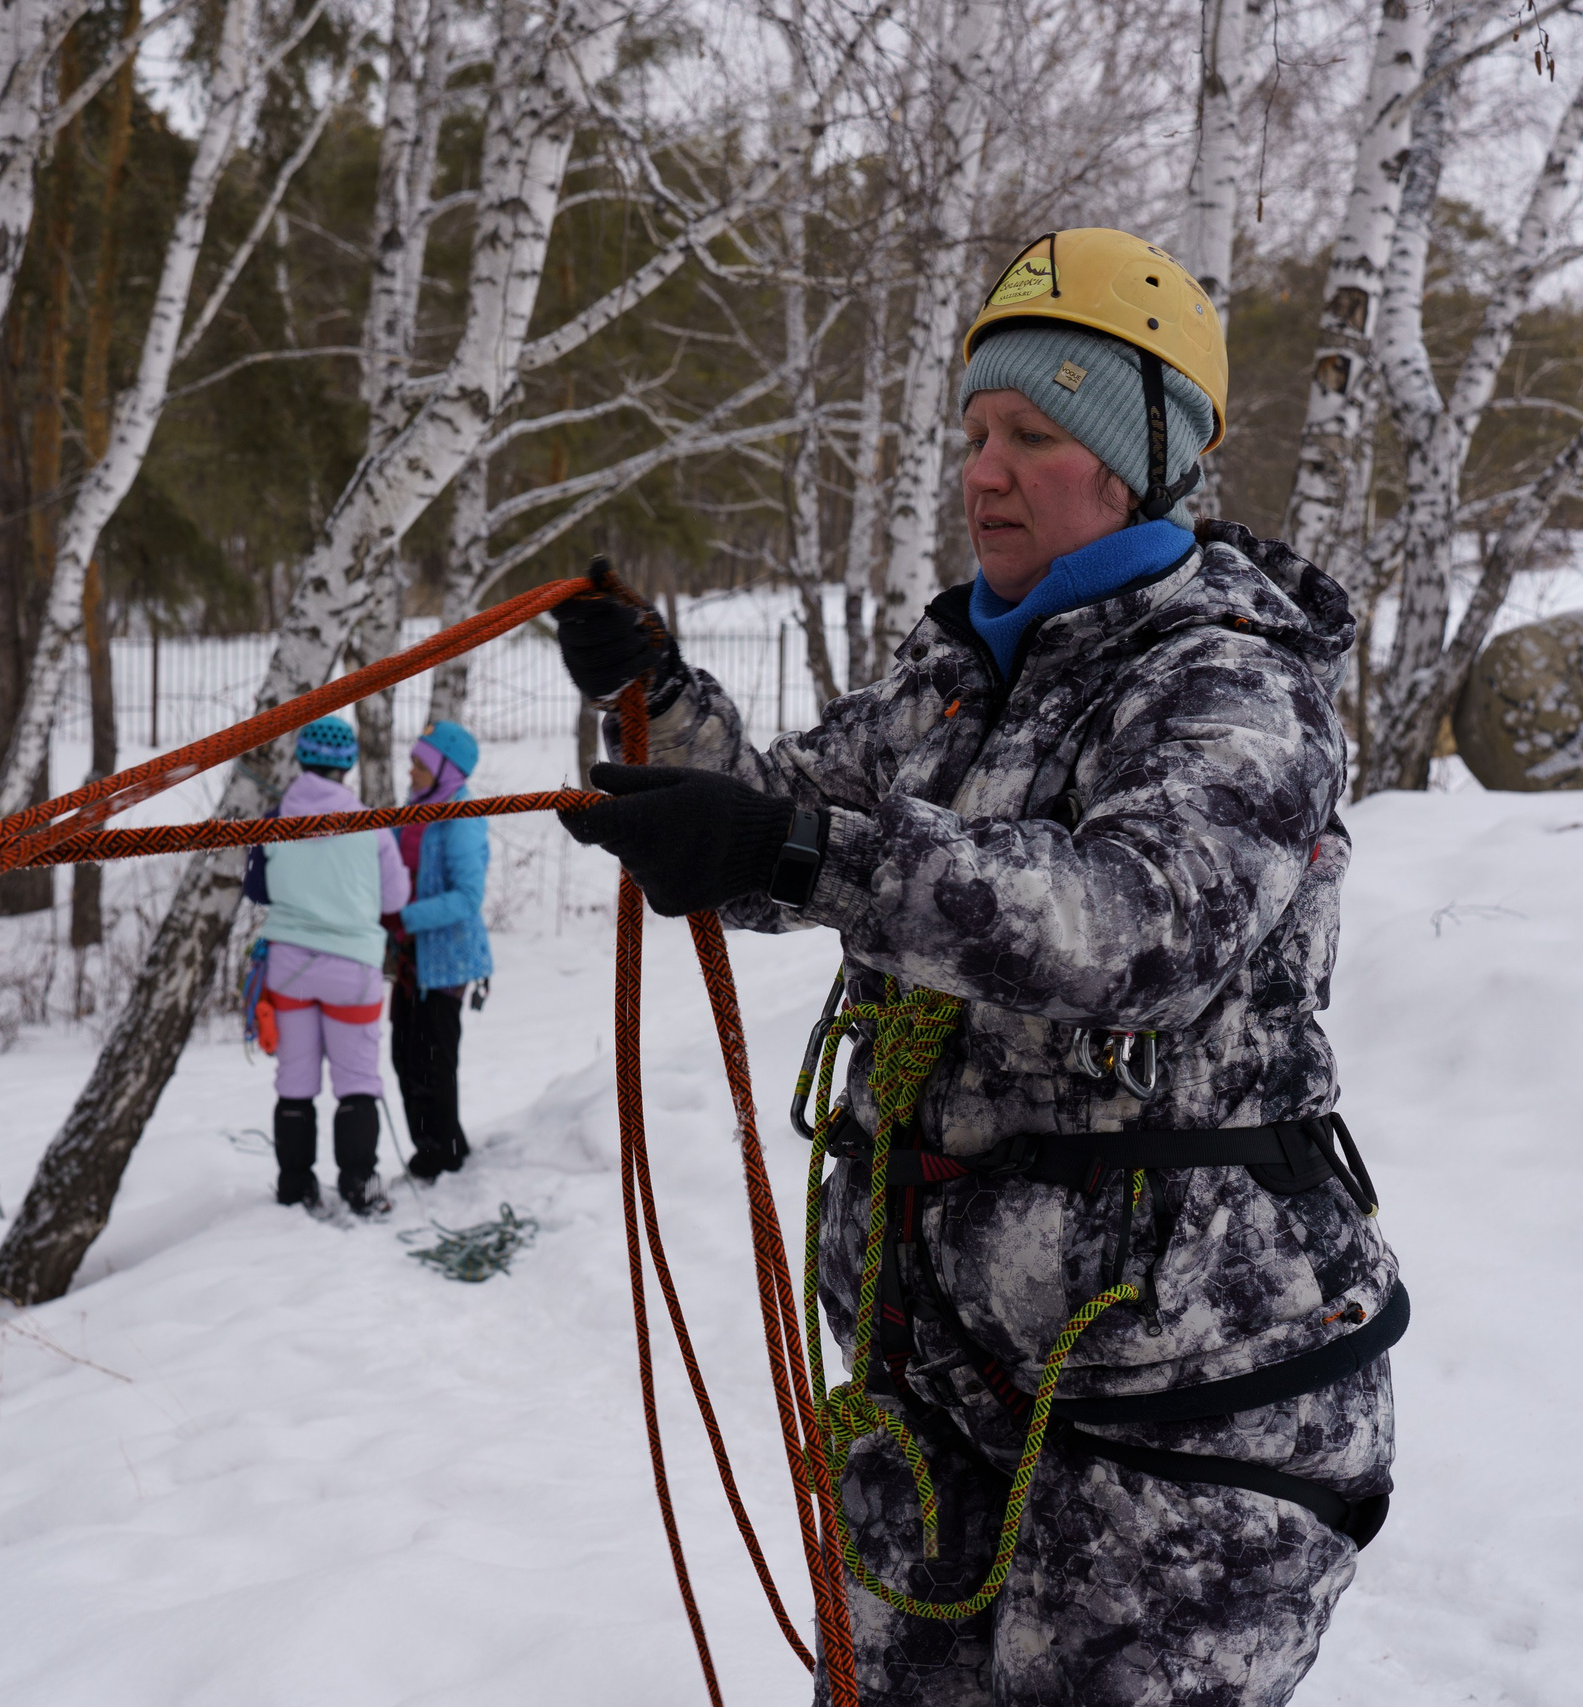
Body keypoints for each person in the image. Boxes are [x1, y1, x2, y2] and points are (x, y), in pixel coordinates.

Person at [552, 228, 1403, 1706]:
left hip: (1185, 1425)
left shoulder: (1229, 678)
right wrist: (651, 697)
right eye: (975, 431)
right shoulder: (954, 677)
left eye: (1032, 433)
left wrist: (804, 849)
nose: (983, 470)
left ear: (1135, 465)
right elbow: (779, 810)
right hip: (939, 1401)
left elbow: (1142, 923)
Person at [251, 715, 409, 1216]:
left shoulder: (275, 820)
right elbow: (396, 896)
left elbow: (257, 888)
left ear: (301, 757)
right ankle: (360, 1184)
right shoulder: (372, 826)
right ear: (348, 766)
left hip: (289, 965)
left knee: (294, 1082)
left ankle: (294, 1185)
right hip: (354, 970)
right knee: (357, 1079)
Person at [386, 720, 491, 1182]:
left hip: (444, 960)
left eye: (419, 764)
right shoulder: (413, 810)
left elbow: (467, 896)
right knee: (404, 1055)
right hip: (410, 957)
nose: (410, 771)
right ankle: (433, 1145)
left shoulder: (461, 816)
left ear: (444, 768)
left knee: (432, 1059)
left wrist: (404, 917)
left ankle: (444, 1154)